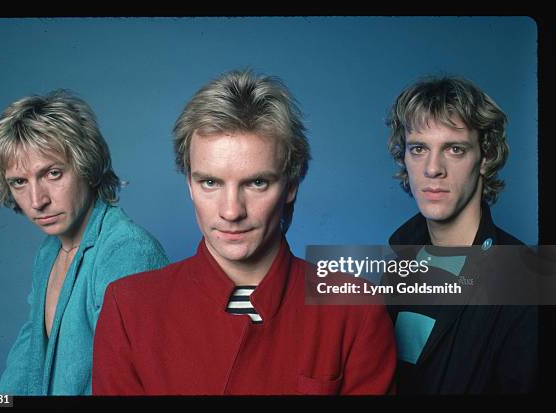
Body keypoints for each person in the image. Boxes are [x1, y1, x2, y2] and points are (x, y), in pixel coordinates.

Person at [92, 69, 396, 395]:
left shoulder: (355, 309)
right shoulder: (129, 306)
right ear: (189, 184)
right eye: (210, 182)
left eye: (256, 182)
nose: (231, 211)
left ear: (291, 185)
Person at [0, 89, 169, 395]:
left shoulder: (127, 251)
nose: (37, 200)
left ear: (86, 166)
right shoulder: (49, 253)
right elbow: (29, 356)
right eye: (19, 182)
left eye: (53, 173)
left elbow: (129, 382)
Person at [384, 76, 537, 393]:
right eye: (419, 149)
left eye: (454, 149)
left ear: (485, 157)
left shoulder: (527, 279)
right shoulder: (396, 262)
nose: (432, 168)